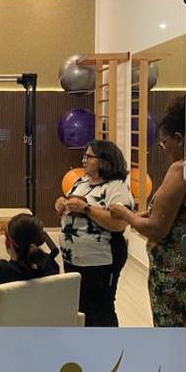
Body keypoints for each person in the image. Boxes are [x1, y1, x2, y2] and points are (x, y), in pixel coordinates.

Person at [110, 96, 186, 327]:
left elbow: (157, 229)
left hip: (179, 271)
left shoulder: (182, 170)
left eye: (164, 142)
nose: (164, 148)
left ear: (178, 138)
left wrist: (126, 214)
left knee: (173, 336)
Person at [55, 139, 133, 327]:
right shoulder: (80, 181)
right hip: (73, 258)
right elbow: (68, 209)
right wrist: (61, 205)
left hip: (101, 261)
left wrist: (86, 208)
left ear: (104, 161)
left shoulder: (116, 187)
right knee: (80, 306)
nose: (84, 160)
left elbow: (119, 224)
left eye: (89, 157)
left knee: (100, 309)